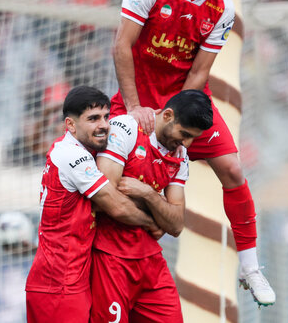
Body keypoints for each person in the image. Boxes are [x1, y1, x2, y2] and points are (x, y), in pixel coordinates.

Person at [111, 0, 275, 306]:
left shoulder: (223, 9)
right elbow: (122, 46)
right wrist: (136, 108)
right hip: (137, 101)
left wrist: (178, 125)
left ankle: (249, 266)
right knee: (122, 181)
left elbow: (200, 73)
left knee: (233, 170)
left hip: (186, 100)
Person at [25, 85, 162, 323]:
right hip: (58, 284)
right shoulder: (71, 155)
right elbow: (116, 205)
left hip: (65, 282)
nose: (104, 125)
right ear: (70, 125)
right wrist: (153, 222)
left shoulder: (73, 150)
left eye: (106, 116)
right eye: (93, 119)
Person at [91, 89, 212, 322]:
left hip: (150, 258)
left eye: (192, 138)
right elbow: (106, 199)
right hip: (110, 255)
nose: (186, 143)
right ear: (167, 115)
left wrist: (147, 194)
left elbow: (176, 225)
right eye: (184, 133)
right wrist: (155, 217)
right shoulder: (125, 128)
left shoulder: (180, 155)